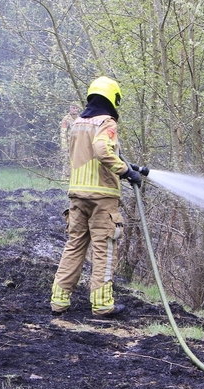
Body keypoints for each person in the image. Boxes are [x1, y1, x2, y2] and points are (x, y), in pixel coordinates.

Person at [50, 76, 144, 319]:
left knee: (74, 246)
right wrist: (125, 171)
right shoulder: (107, 121)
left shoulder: (78, 123)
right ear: (112, 98)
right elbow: (102, 150)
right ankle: (103, 305)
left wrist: (122, 161)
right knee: (104, 249)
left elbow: (88, 153)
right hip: (103, 198)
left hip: (78, 196)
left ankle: (59, 301)